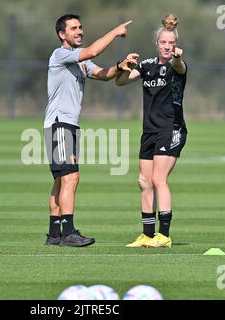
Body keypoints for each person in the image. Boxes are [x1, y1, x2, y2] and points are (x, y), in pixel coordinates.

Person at [44, 14, 138, 247]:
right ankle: (69, 233)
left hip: (67, 124)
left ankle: (54, 235)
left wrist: (120, 66)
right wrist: (115, 32)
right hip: (60, 124)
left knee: (61, 181)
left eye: (80, 27)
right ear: (61, 34)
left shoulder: (79, 62)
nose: (79, 31)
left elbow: (102, 74)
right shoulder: (61, 54)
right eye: (73, 28)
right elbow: (93, 51)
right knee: (70, 177)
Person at [115, 14, 188, 248]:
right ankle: (147, 235)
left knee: (158, 179)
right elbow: (121, 82)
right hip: (149, 131)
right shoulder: (146, 66)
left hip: (171, 128)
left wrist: (177, 58)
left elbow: (179, 65)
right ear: (157, 44)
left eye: (171, 43)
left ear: (175, 45)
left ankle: (164, 236)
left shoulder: (178, 65)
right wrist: (125, 65)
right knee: (144, 181)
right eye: (163, 43)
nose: (167, 47)